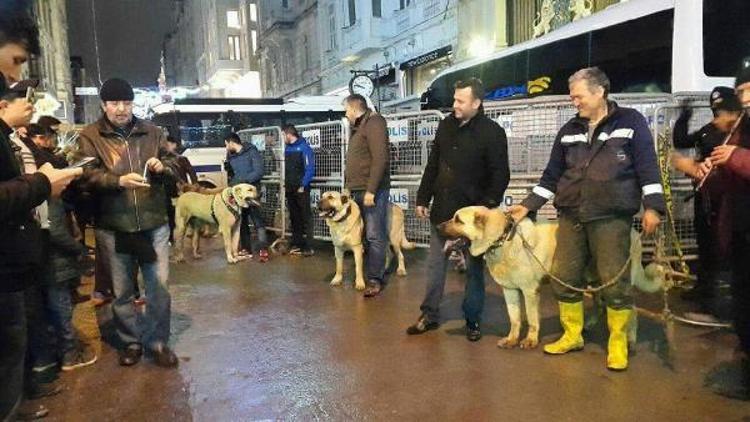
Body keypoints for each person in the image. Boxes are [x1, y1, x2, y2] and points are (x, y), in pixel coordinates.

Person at [509, 67, 665, 371]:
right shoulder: (569, 130)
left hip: (611, 217)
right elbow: (552, 175)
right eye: (573, 96)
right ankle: (572, 335)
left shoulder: (630, 122)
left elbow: (648, 167)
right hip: (571, 216)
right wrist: (528, 205)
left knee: (613, 281)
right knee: (564, 276)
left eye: (578, 95)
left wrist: (654, 207)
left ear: (599, 92)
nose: (574, 101)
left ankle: (617, 341)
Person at [0, 9, 81, 418]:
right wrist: (42, 184)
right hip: (12, 259)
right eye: (14, 61)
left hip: (17, 259)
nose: (15, 79)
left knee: (17, 344)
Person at [76, 77, 178, 368]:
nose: (121, 109)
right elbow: (86, 174)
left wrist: (162, 166)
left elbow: (174, 164)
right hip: (114, 224)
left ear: (133, 103)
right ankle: (130, 341)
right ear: (104, 105)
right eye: (114, 103)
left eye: (126, 103)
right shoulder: (91, 135)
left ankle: (158, 343)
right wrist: (118, 181)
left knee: (159, 287)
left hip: (153, 221)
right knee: (122, 291)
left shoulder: (153, 132)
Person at [406, 78, 510, 341]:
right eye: (454, 99)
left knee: (474, 270)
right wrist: (422, 197)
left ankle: (472, 320)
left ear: (476, 102)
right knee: (435, 267)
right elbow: (433, 165)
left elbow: (501, 175)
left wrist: (486, 207)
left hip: (473, 221)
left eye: (460, 101)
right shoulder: (445, 126)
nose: (455, 105)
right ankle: (428, 314)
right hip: (442, 212)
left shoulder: (492, 132)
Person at [700, 64, 750, 400]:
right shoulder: (743, 125)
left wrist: (737, 157)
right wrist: (711, 170)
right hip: (741, 232)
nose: (744, 97)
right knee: (743, 308)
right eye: (742, 90)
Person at [671, 87, 742, 318]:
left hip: (724, 200)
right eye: (716, 112)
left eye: (723, 112)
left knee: (721, 248)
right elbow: (682, 140)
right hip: (705, 196)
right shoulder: (709, 130)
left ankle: (717, 302)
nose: (719, 118)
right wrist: (684, 116)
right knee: (705, 243)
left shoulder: (738, 135)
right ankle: (704, 288)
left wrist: (692, 167)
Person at [342, 94, 390, 297]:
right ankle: (367, 273)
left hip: (372, 191)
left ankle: (374, 279)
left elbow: (380, 158)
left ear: (354, 108)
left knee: (374, 234)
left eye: (346, 110)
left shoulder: (374, 122)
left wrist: (371, 190)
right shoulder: (360, 127)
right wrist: (347, 187)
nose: (345, 114)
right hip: (358, 189)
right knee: (365, 235)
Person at [224, 132, 268, 262]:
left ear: (232, 143)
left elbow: (259, 171)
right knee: (241, 221)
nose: (226, 148)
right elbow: (233, 175)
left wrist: (244, 182)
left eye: (226, 145)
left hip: (251, 191)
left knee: (257, 219)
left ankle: (263, 248)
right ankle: (246, 248)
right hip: (238, 195)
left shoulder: (251, 151)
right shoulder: (230, 156)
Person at [282, 124, 315, 256]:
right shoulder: (287, 149)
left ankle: (308, 246)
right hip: (290, 187)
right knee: (294, 217)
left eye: (284, 135)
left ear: (289, 134)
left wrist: (303, 184)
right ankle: (297, 243)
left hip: (301, 188)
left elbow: (309, 168)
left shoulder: (305, 148)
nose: (283, 138)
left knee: (305, 217)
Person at [160, 135, 197, 242]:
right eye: (165, 145)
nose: (166, 147)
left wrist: (195, 185)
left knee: (188, 212)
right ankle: (171, 237)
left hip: (182, 191)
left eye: (169, 144)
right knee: (170, 215)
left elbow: (192, 172)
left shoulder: (181, 159)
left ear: (175, 145)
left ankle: (192, 231)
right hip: (167, 192)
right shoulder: (161, 160)